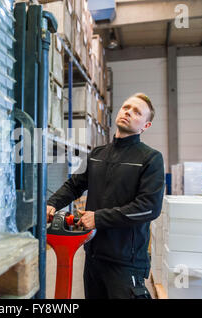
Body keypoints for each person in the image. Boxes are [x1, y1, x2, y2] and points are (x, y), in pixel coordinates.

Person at [46, 93, 165, 299]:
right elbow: (75, 185)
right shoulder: (97, 154)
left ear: (145, 126)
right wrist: (52, 204)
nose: (128, 112)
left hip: (126, 262)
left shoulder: (150, 158)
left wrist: (98, 218)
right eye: (126, 107)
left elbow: (149, 207)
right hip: (93, 256)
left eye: (137, 112)